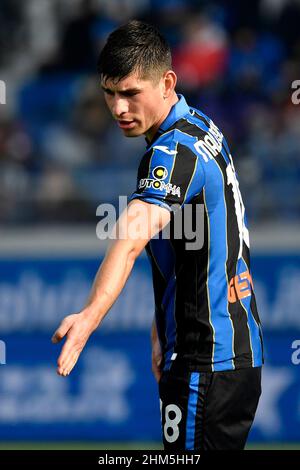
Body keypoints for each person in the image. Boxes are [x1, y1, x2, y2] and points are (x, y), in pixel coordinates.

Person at [52, 20, 263, 450]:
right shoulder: (200, 128)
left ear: (167, 82)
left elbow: (130, 237)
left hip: (206, 358)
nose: (118, 108)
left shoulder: (171, 152)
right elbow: (193, 241)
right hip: (230, 353)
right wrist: (161, 327)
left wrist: (89, 317)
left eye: (131, 93)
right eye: (109, 93)